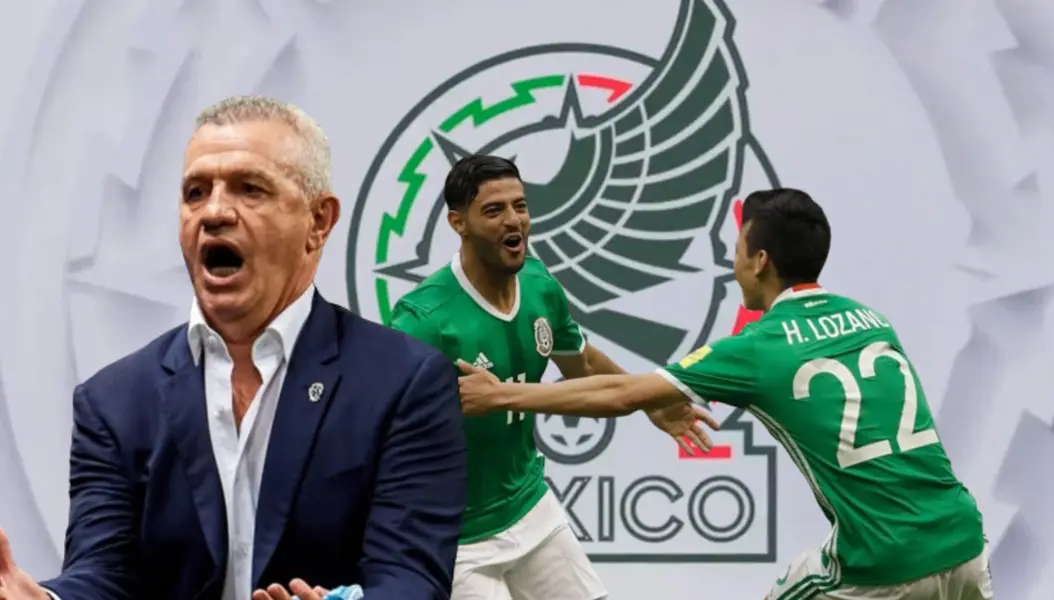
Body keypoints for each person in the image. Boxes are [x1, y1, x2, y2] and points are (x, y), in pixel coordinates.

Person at [0, 96, 467, 600]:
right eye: (195, 192)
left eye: (250, 189)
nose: (215, 212)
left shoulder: (405, 382)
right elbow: (106, 575)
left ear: (318, 222)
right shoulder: (112, 401)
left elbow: (410, 580)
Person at [456, 188, 995, 600]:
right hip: (965, 539)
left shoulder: (759, 345)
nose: (731, 261)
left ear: (760, 261)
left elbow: (621, 393)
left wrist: (503, 396)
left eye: (737, 247)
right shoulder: (872, 321)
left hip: (883, 555)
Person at [389, 154, 716, 600]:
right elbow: (382, 431)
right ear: (457, 222)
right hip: (455, 539)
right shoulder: (423, 320)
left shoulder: (540, 285)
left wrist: (651, 401)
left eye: (520, 206)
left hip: (530, 506)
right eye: (493, 210)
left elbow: (580, 363)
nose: (514, 221)